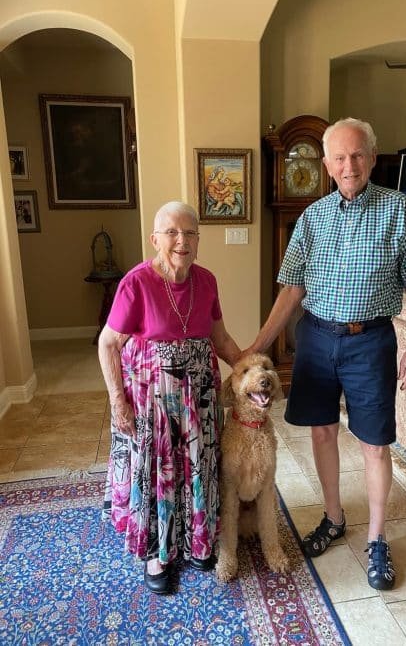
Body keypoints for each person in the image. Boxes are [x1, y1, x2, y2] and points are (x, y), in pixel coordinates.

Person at [244, 118, 406, 591]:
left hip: (371, 341)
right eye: (340, 158)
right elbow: (292, 289)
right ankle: (333, 518)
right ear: (327, 165)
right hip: (316, 338)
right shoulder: (312, 217)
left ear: (372, 157)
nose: (350, 165)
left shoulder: (398, 209)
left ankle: (377, 540)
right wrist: (256, 348)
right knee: (323, 431)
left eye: (358, 155)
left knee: (375, 443)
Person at [98, 201, 240, 594]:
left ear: (198, 240)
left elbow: (221, 339)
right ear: (155, 239)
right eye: (172, 232)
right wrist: (118, 401)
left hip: (200, 400)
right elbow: (108, 344)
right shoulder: (136, 282)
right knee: (158, 469)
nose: (182, 240)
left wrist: (251, 369)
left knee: (198, 464)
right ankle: (156, 553)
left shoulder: (206, 281)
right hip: (151, 403)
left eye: (190, 233)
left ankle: (197, 540)